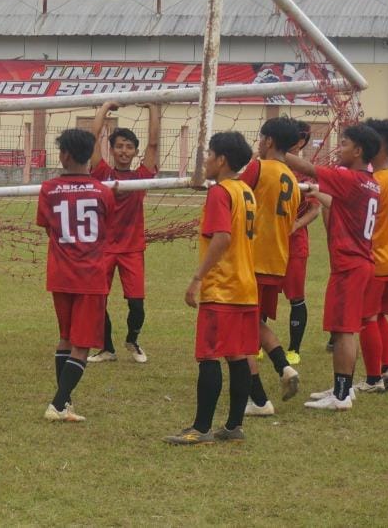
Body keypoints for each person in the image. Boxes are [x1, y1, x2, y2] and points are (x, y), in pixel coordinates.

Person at [165, 132, 258, 445]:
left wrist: (197, 278)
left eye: (208, 155)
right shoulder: (246, 190)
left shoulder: (220, 192)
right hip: (246, 287)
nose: (204, 160)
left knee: (209, 356)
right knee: (237, 355)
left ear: (222, 160)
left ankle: (201, 428)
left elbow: (222, 237)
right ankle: (233, 426)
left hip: (223, 288)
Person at [285, 124, 382, 411]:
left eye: (344, 143)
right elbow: (342, 204)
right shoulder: (368, 181)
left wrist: (281, 152)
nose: (339, 148)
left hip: (350, 265)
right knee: (345, 329)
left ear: (359, 150)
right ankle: (344, 388)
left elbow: (309, 167)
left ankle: (340, 396)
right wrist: (317, 193)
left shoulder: (348, 177)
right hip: (358, 263)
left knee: (343, 330)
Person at [37, 128, 117, 423]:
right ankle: (58, 404)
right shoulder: (103, 192)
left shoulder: (48, 189)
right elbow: (106, 226)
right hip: (91, 275)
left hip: (61, 273)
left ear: (66, 154)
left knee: (65, 338)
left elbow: (49, 227)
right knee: (82, 345)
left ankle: (65, 402)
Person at [238, 117, 303, 416]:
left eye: (261, 138)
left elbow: (236, 198)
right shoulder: (292, 178)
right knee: (254, 323)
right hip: (277, 261)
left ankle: (259, 400)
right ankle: (283, 367)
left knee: (241, 331)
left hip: (252, 259)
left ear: (268, 141)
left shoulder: (258, 168)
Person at [87, 102, 160, 364]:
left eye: (129, 147)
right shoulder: (102, 172)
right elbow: (91, 139)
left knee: (137, 303)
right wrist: (105, 107)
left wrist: (153, 106)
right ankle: (106, 348)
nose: (124, 151)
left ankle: (133, 339)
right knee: (98, 301)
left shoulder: (142, 175)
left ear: (135, 151)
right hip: (104, 248)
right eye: (119, 146)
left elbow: (153, 144)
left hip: (131, 249)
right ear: (112, 149)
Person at [356, 119, 388, 393]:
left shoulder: (373, 182)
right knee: (381, 316)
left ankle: (373, 378)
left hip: (375, 260)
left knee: (368, 319)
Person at [284, 123, 320, 363]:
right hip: (268, 241)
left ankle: (294, 349)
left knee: (296, 296)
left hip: (295, 243)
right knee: (261, 291)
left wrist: (297, 224)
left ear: (299, 142)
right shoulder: (268, 166)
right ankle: (256, 344)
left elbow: (316, 209)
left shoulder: (307, 173)